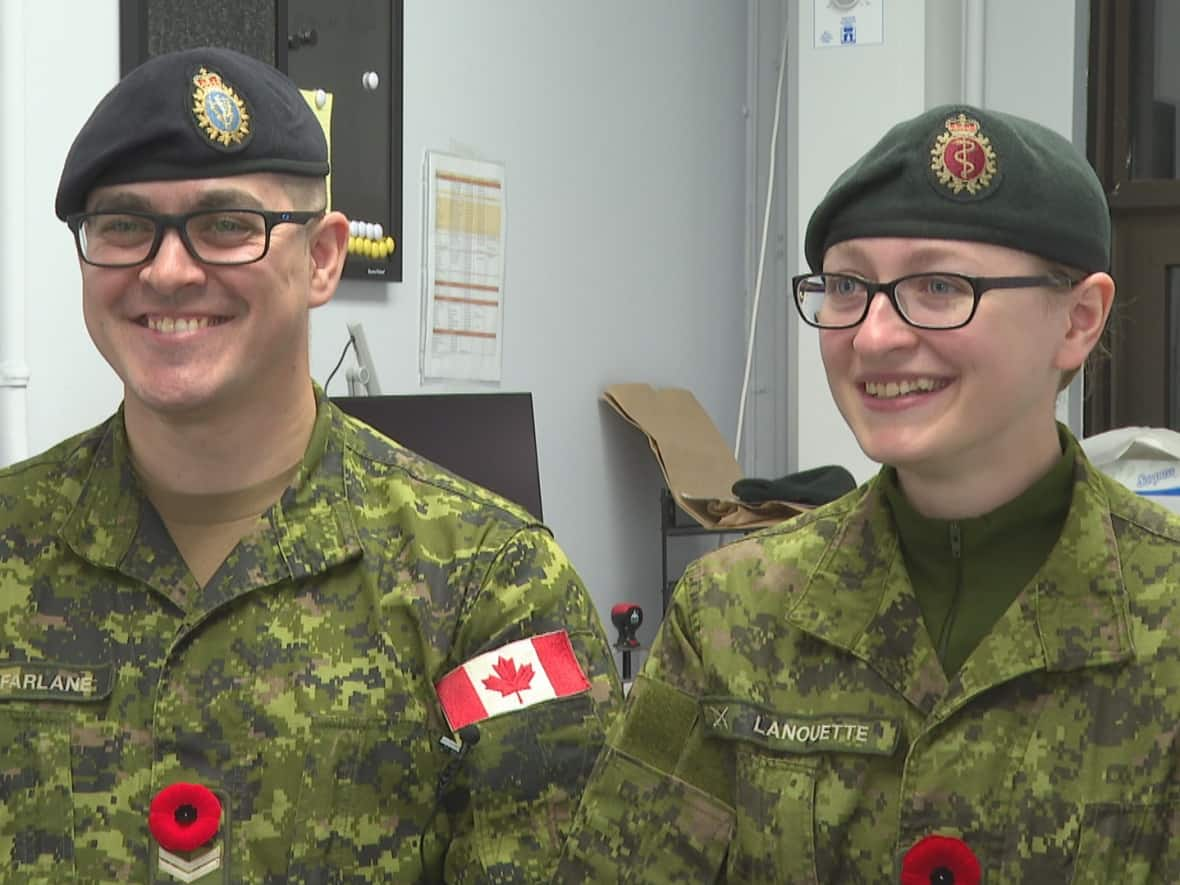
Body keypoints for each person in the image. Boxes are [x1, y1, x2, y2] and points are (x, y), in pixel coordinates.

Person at [0, 47, 620, 882]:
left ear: (324, 258)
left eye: (226, 224)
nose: (168, 269)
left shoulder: (489, 587)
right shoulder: (13, 543)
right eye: (123, 225)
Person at [557, 104, 1180, 883]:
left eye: (941, 285)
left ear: (1078, 320)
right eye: (848, 285)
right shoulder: (732, 614)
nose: (875, 335)